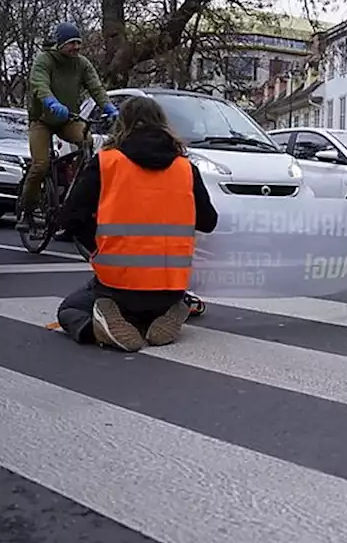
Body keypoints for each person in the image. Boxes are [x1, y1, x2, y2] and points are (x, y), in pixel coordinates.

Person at [54, 96, 218, 351]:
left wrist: (98, 246)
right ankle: (169, 311)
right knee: (151, 305)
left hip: (116, 285)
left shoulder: (107, 163)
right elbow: (209, 221)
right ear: (163, 124)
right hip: (170, 287)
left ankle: (100, 328)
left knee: (70, 309)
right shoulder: (186, 169)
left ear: (122, 124)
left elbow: (69, 218)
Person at [17, 22, 118, 232]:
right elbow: (40, 85)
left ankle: (76, 184)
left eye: (78, 44)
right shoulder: (44, 61)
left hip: (67, 118)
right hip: (42, 120)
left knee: (87, 141)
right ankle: (27, 211)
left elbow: (95, 86)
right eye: (72, 43)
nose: (76, 48)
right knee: (40, 165)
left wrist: (108, 106)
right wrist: (51, 103)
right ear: (60, 44)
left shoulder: (81, 63)